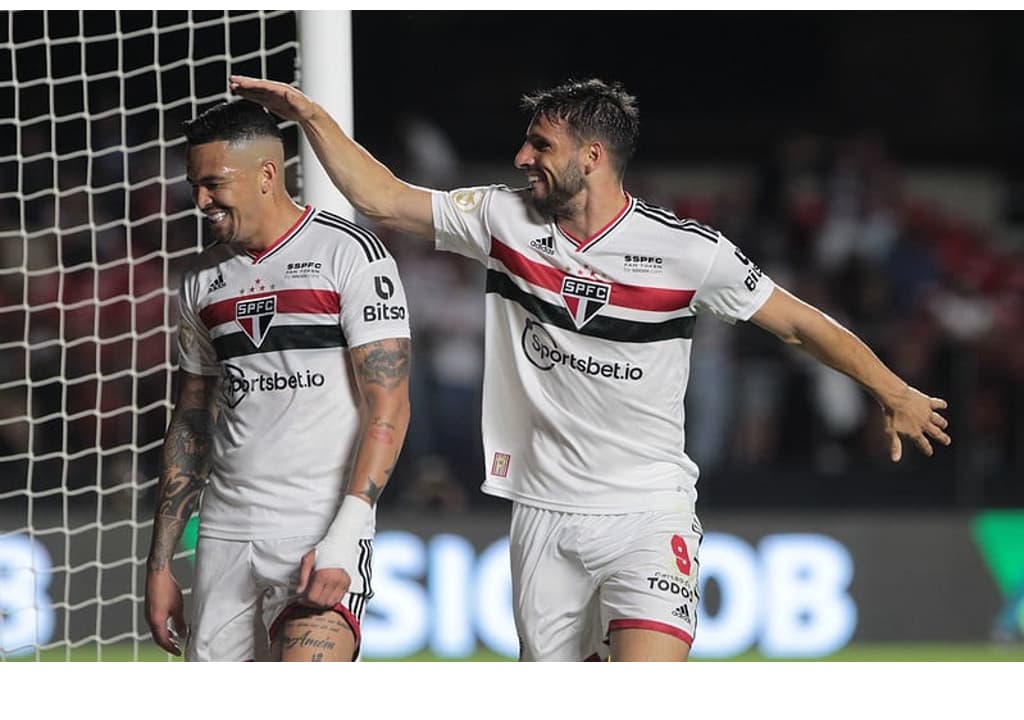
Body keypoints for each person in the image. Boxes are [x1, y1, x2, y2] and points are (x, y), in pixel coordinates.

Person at [229, 75, 951, 662]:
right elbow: (381, 196)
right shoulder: (502, 220)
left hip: (647, 512)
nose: (521, 158)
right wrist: (311, 117)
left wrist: (894, 391)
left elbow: (796, 321)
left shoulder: (689, 251)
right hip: (542, 515)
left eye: (540, 144)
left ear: (593, 157)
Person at [144, 99, 411, 662]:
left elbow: (389, 406)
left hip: (316, 531)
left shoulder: (349, 254)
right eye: (194, 185)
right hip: (222, 536)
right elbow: (192, 417)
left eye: (214, 183)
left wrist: (346, 535)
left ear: (268, 174)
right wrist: (162, 562)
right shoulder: (201, 278)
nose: (200, 201)